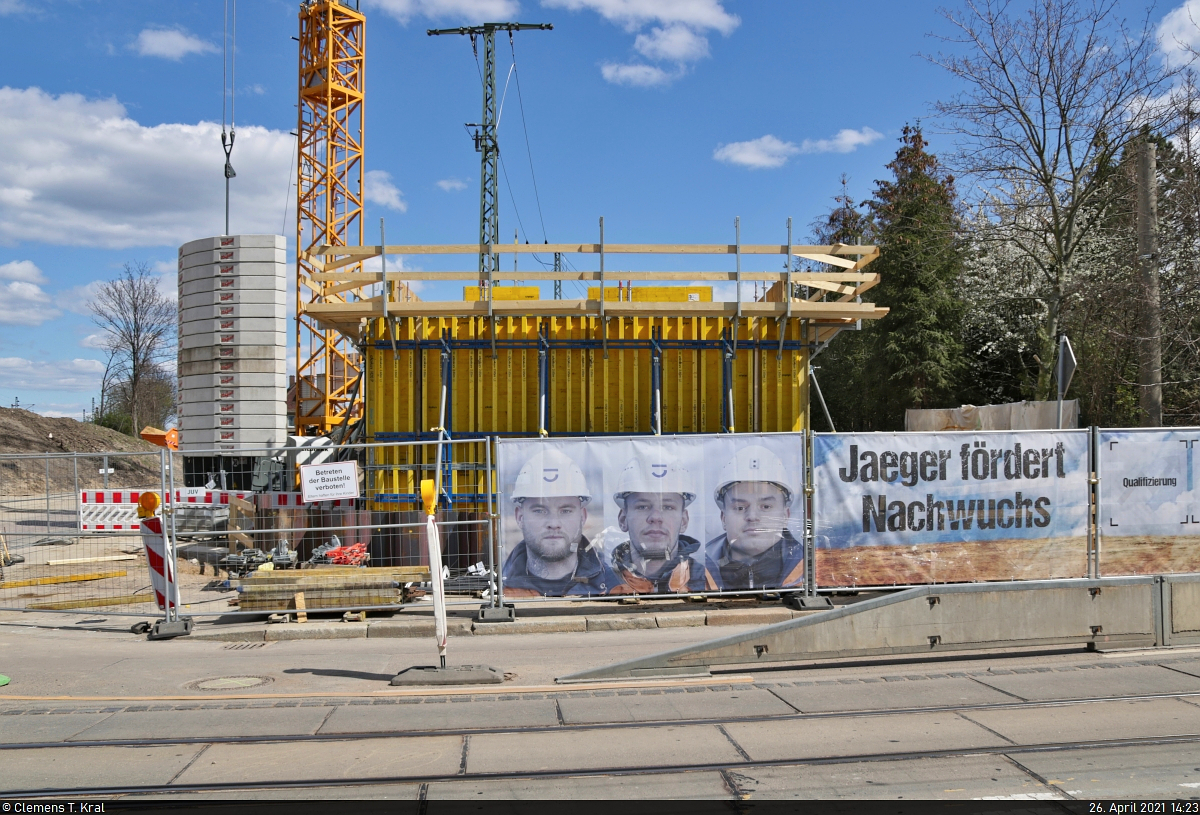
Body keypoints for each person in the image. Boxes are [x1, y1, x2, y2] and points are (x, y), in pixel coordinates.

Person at [502, 448, 614, 597]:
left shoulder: (614, 583)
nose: (554, 523)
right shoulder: (499, 585)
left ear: (582, 516)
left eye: (565, 511)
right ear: (519, 517)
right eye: (540, 511)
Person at [703, 445, 803, 591]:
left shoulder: (813, 570)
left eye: (766, 507)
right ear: (723, 518)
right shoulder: (693, 572)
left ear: (785, 516)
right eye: (740, 508)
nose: (752, 517)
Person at [607, 455, 709, 594]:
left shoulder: (708, 581)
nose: (655, 517)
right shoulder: (602, 583)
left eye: (667, 507)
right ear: (623, 519)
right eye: (642, 507)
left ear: (684, 521)